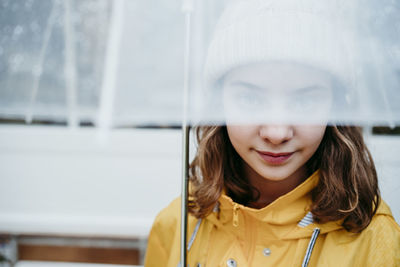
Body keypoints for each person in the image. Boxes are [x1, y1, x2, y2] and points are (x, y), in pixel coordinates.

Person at [145, 0, 400, 266]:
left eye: (304, 101)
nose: (276, 133)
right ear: (219, 102)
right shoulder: (179, 224)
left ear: (335, 107)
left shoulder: (374, 243)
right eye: (250, 99)